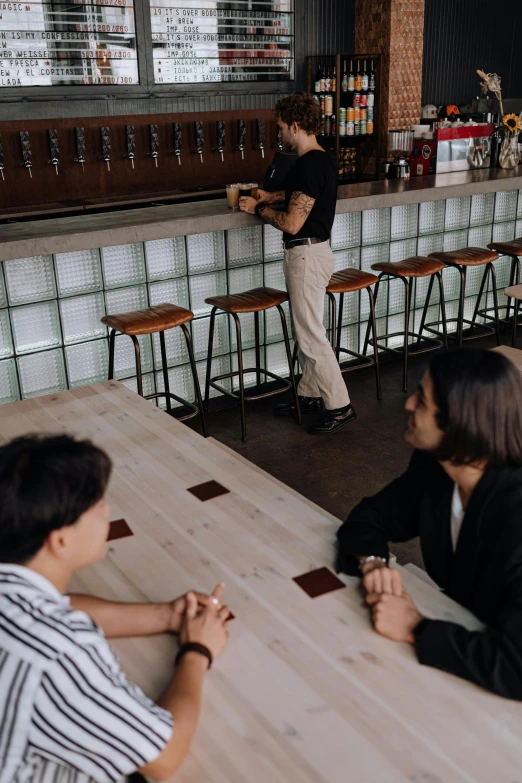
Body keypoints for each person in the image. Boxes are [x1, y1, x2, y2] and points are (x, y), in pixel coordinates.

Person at [0, 434, 230, 782]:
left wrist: (167, 615)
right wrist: (198, 650)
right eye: (97, 506)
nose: (107, 510)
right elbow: (164, 757)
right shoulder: (59, 651)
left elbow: (58, 607)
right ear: (60, 539)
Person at [336, 348, 522, 699]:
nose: (407, 404)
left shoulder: (515, 512)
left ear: (458, 424)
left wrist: (414, 627)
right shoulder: (437, 467)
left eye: (421, 401)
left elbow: (516, 667)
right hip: (469, 650)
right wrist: (372, 562)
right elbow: (370, 517)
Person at [239, 92, 355, 435]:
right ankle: (309, 394)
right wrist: (268, 196)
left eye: (280, 128)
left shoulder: (308, 164)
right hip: (314, 252)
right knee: (305, 331)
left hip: (306, 254)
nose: (279, 135)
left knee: (311, 336)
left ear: (294, 126)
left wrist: (258, 209)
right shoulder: (320, 159)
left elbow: (291, 222)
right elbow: (299, 196)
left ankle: (340, 405)